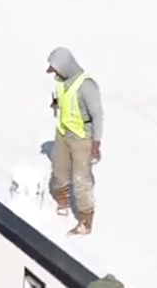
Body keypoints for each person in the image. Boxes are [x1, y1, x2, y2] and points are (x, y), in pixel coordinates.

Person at [46, 47, 103, 237]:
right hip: (63, 133)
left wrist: (95, 142)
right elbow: (66, 101)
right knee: (59, 171)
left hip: (81, 139)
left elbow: (97, 115)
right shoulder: (62, 81)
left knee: (81, 180)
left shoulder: (86, 85)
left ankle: (86, 219)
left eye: (55, 69)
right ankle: (62, 200)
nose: (53, 73)